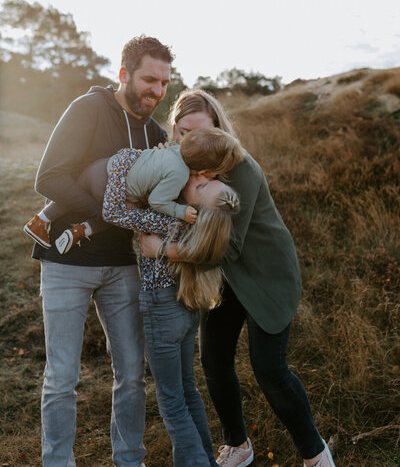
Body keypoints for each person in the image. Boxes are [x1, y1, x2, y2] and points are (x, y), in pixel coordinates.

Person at [139, 89, 336, 467]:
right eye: (182, 132)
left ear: (217, 128)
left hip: (265, 275)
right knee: (213, 360)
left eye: (199, 131)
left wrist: (164, 250)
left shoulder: (240, 169)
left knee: (269, 369)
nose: (189, 141)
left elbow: (227, 250)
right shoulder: (180, 167)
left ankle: (316, 454)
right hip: (224, 279)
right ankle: (238, 446)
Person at [30, 35, 173, 467]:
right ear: (124, 74)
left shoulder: (156, 136)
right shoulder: (88, 110)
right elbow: (49, 178)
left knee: (131, 375)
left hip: (125, 267)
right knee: (61, 378)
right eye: (150, 79)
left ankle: (129, 460)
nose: (157, 90)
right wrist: (111, 212)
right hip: (66, 262)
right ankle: (58, 462)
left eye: (165, 83)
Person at [102, 146, 240, 467]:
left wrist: (124, 159)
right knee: (188, 391)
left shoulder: (165, 217)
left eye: (204, 186)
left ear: (196, 208)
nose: (200, 177)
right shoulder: (194, 224)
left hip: (162, 308)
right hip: (186, 309)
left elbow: (113, 210)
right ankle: (205, 459)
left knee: (172, 402)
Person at [24, 128, 243, 254]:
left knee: (81, 187)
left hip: (108, 164)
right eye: (212, 175)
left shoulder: (174, 148)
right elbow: (158, 201)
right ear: (204, 168)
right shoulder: (180, 175)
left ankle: (41, 220)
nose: (211, 178)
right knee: (114, 214)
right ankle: (80, 231)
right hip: (115, 183)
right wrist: (180, 211)